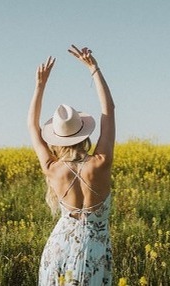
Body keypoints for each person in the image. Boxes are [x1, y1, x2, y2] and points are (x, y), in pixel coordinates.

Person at [28, 45, 116, 286]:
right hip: (92, 253)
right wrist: (94, 69)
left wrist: (40, 85)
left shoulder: (52, 168)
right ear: (84, 134)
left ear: (57, 138)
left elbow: (32, 126)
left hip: (59, 248)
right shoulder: (101, 163)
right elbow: (109, 111)